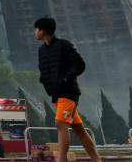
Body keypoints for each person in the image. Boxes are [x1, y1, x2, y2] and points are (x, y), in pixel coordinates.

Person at [34, 16, 101, 162]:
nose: (35, 32)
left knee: (60, 123)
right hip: (56, 95)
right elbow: (43, 72)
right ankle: (97, 160)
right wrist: (45, 83)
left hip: (69, 92)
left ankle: (62, 159)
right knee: (79, 129)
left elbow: (80, 65)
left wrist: (65, 79)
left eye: (36, 29)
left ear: (42, 31)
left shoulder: (64, 45)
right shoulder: (41, 50)